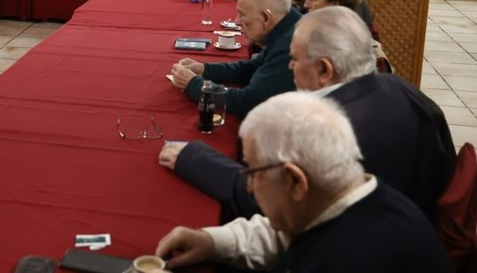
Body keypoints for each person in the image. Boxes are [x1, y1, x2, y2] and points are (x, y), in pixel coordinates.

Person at [160, 7, 455, 222]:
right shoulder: (402, 87)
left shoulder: (332, 127)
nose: (289, 68)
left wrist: (194, 159)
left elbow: (273, 203)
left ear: (325, 70)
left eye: (296, 60)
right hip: (412, 218)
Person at [156, 92, 452, 272]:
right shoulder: (352, 196)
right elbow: (288, 235)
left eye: (253, 173)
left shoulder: (349, 260)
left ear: (296, 182)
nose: (248, 186)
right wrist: (212, 241)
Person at [170, 0, 299, 116]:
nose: (237, 21)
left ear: (266, 17)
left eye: (243, 15)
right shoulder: (286, 25)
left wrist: (194, 85)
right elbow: (251, 68)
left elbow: (249, 102)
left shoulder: (292, 45)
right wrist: (205, 69)